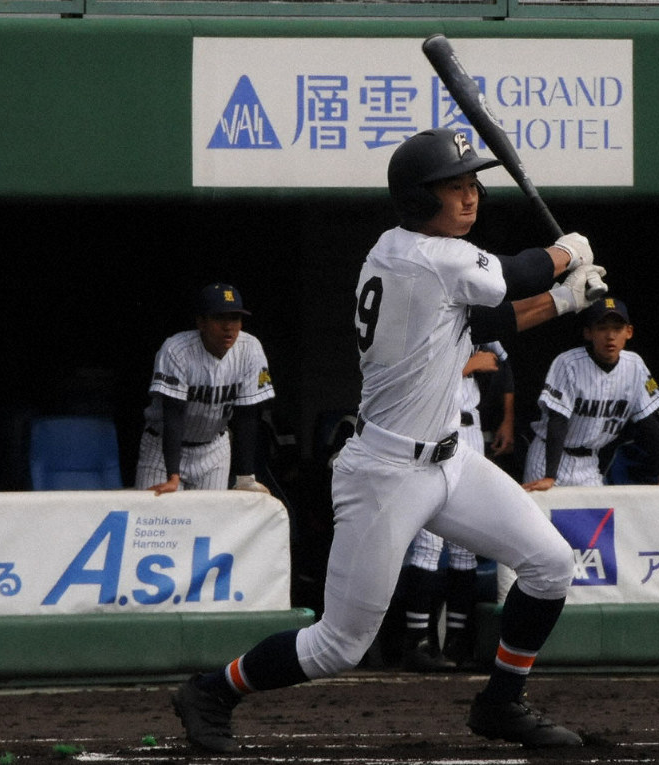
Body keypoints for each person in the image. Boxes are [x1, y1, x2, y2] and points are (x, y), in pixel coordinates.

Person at [170, 128, 607, 752]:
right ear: (415, 199)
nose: (468, 196)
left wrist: (564, 300)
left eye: (470, 184)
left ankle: (501, 703)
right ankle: (213, 690)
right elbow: (513, 275)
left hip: (451, 463)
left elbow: (484, 317)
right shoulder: (433, 256)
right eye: (451, 188)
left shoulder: (400, 251)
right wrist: (565, 254)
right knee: (338, 645)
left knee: (550, 565)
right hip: (386, 472)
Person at [401, 341, 515, 672]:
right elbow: (415, 379)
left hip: (473, 431)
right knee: (429, 540)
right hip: (434, 429)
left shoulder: (484, 327)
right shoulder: (431, 320)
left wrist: (508, 419)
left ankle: (457, 641)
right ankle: (416, 641)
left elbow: (505, 369)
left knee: (466, 543)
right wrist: (467, 366)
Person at [522, 296, 659, 490]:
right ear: (588, 333)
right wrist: (550, 476)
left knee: (595, 520)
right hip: (549, 458)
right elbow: (558, 420)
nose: (610, 336)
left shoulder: (635, 366)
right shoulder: (568, 363)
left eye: (617, 328)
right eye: (602, 328)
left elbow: (648, 420)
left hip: (589, 463)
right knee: (542, 520)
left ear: (629, 332)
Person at [134, 282, 275, 495]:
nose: (229, 326)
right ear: (201, 322)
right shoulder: (177, 349)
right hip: (162, 450)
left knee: (210, 526)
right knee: (155, 523)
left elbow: (247, 414)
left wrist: (246, 476)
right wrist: (173, 475)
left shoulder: (250, 349)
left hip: (212, 449)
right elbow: (173, 412)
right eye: (219, 317)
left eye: (235, 318)